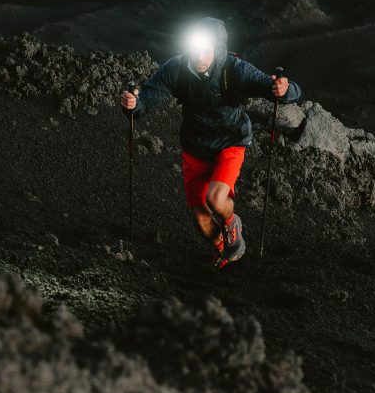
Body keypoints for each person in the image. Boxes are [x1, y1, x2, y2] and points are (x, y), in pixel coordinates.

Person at [119, 16, 302, 268]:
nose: (199, 55)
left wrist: (285, 89)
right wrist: (133, 105)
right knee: (201, 219)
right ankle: (222, 250)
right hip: (195, 147)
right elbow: (147, 100)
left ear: (218, 49)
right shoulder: (176, 69)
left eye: (206, 49)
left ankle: (231, 225)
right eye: (195, 48)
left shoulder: (235, 70)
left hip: (230, 141)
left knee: (217, 199)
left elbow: (273, 88)